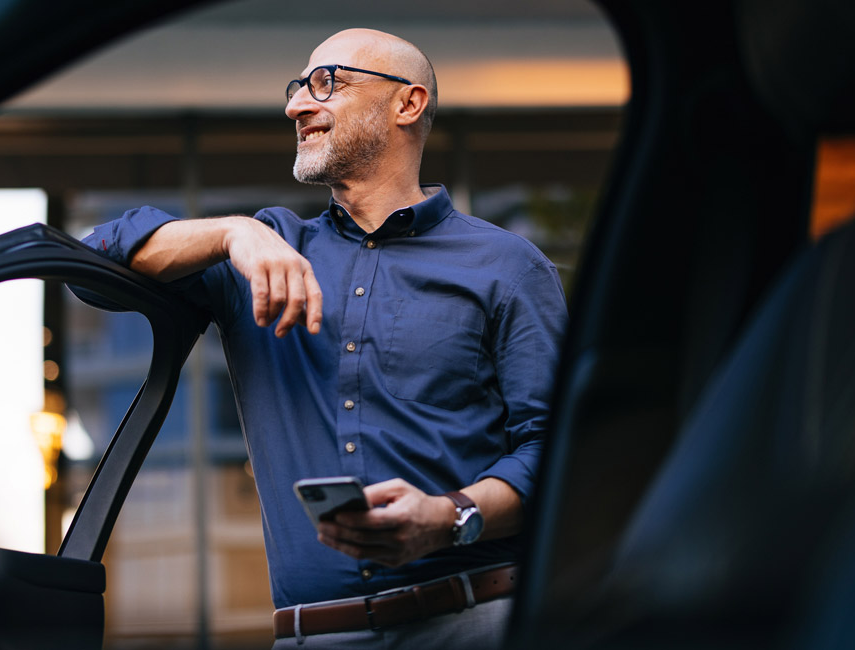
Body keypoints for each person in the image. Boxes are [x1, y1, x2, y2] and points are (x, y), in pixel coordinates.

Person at [79, 28, 567, 648]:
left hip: (475, 625)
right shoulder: (262, 254)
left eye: (326, 83)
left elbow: (558, 452)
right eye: (297, 88)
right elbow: (92, 265)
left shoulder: (508, 266)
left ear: (407, 103)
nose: (296, 106)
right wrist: (233, 233)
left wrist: (449, 517)